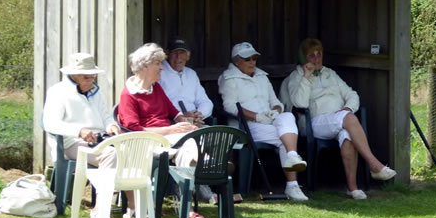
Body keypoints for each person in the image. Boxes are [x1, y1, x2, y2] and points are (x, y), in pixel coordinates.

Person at [283, 38, 396, 200]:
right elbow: (299, 102)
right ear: (303, 58)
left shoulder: (330, 74)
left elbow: (351, 94)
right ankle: (374, 164)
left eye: (319, 54)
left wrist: (348, 107)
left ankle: (352, 188)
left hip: (339, 119)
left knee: (348, 135)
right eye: (311, 56)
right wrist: (306, 77)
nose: (316, 59)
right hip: (315, 122)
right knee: (348, 119)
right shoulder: (296, 77)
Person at [117, 42, 212, 218]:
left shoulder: (156, 88)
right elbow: (133, 129)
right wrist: (170, 129)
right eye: (158, 64)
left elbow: (172, 111)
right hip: (145, 143)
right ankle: (204, 163)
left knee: (188, 143)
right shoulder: (128, 94)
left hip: (168, 140)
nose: (162, 67)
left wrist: (184, 122)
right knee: (188, 143)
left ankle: (185, 204)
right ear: (145, 67)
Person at [218, 41, 309, 201]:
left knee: (288, 116)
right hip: (248, 126)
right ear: (236, 61)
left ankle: (293, 156)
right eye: (248, 59)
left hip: (269, 120)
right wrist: (257, 116)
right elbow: (230, 107)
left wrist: (275, 111)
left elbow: (276, 101)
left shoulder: (261, 76)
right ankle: (292, 185)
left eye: (254, 58)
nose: (252, 62)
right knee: (285, 139)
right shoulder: (229, 78)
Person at [41, 52, 124, 218]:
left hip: (99, 140)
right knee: (110, 154)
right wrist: (79, 131)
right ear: (74, 75)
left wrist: (111, 125)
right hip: (71, 143)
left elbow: (105, 116)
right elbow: (50, 123)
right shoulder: (58, 92)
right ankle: (100, 210)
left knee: (130, 150)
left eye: (93, 76)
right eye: (87, 77)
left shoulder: (95, 91)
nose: (91, 81)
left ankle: (132, 208)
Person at [158, 36, 213, 125]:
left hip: (194, 122)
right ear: (167, 54)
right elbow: (156, 107)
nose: (178, 57)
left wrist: (199, 114)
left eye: (182, 53)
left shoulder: (191, 74)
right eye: (174, 52)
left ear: (188, 56)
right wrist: (180, 116)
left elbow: (205, 102)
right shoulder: (158, 72)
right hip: (171, 122)